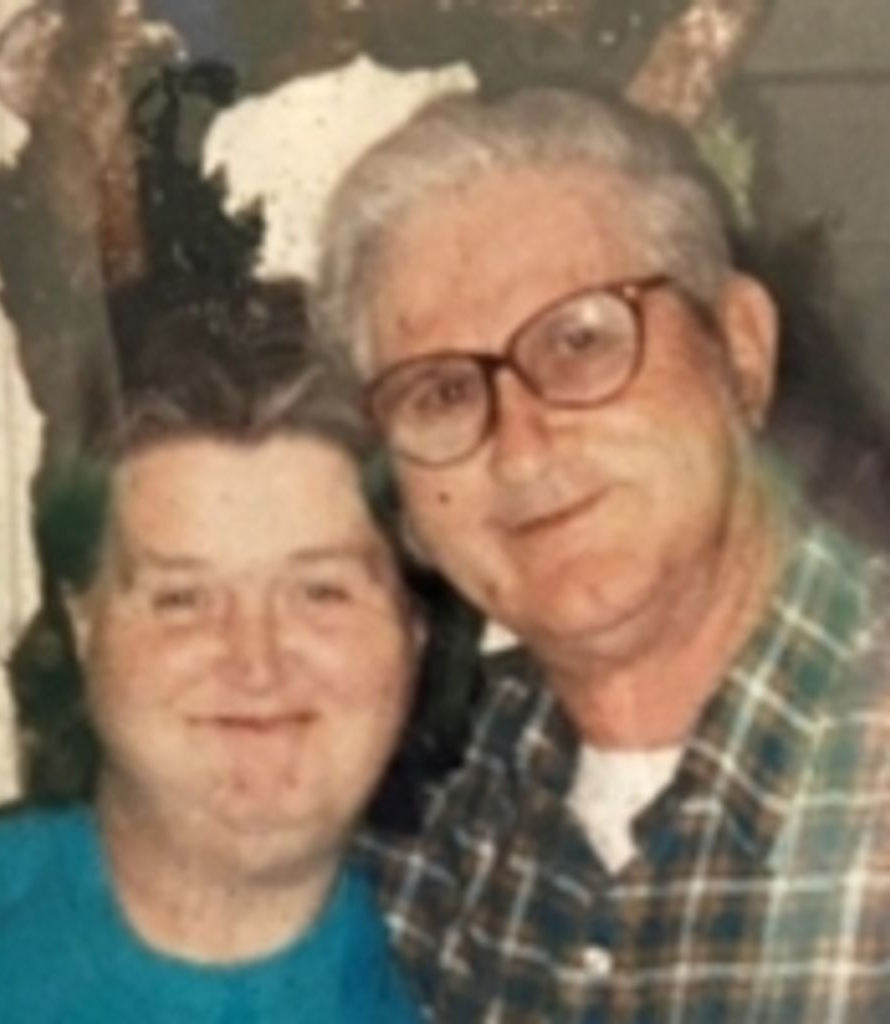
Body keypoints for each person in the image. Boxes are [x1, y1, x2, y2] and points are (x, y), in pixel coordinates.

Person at [314, 88, 890, 1021]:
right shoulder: (408, 828)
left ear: (741, 352)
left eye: (580, 341)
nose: (522, 449)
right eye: (441, 393)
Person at [0, 282, 424, 1023]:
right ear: (83, 624)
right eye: (182, 599)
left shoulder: (488, 975)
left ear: (416, 625)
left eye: (321, 592)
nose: (256, 664)